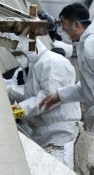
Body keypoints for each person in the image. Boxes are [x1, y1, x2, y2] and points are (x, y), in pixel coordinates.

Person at [39, 3, 94, 135]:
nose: (63, 29)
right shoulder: (86, 45)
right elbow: (87, 87)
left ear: (77, 25)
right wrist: (60, 95)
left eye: (64, 23)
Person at [7, 37, 81, 168]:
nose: (18, 58)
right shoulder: (35, 65)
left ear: (28, 48)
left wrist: (16, 111)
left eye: (19, 54)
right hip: (44, 133)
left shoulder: (51, 62)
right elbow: (31, 96)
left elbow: (48, 99)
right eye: (15, 55)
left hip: (59, 133)